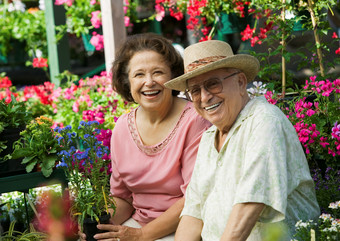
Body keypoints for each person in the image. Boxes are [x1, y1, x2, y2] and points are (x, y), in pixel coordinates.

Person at [164, 40, 320, 241]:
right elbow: (193, 213)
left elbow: (250, 205)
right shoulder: (209, 137)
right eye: (194, 90)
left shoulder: (264, 121)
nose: (204, 97)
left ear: (240, 82)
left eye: (213, 83)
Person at [79, 33, 211, 241]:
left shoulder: (194, 120)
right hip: (137, 225)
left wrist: (141, 235)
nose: (149, 82)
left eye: (158, 72)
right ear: (127, 82)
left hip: (184, 227)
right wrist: (99, 223)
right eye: (139, 75)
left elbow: (194, 199)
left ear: (173, 77)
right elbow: (122, 198)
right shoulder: (122, 127)